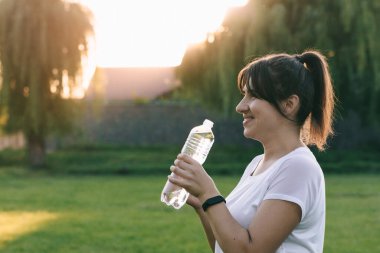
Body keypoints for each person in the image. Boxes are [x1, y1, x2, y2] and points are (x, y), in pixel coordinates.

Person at [168, 50, 335, 253]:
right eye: (244, 95)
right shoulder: (256, 164)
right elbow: (226, 247)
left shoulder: (298, 168)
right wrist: (203, 204)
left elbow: (249, 251)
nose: (240, 106)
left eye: (253, 95)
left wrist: (209, 192)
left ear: (289, 104)